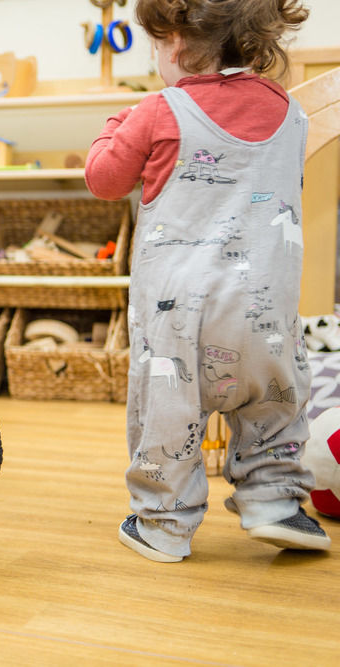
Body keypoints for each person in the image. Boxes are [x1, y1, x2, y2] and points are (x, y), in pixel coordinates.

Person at [85, 0, 329, 562]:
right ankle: (274, 502)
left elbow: (102, 179)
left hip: (181, 325)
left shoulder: (159, 111)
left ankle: (164, 525)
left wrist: (116, 125)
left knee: (168, 420)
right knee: (274, 407)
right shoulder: (292, 115)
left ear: (173, 43)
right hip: (266, 319)